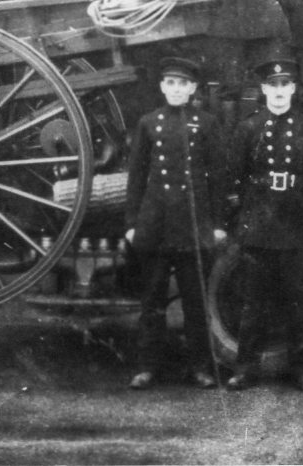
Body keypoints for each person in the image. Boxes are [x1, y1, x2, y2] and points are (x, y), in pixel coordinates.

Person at [225, 56, 303, 391]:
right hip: (258, 228)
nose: (280, 92)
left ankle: (302, 368)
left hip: (295, 227)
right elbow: (234, 177)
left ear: (294, 88)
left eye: (285, 85)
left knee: (298, 302)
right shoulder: (249, 128)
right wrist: (242, 220)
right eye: (273, 85)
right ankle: (245, 367)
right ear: (263, 89)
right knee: (253, 303)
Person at [123, 56, 226, 391]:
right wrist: (132, 223)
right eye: (171, 83)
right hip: (155, 225)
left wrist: (218, 225)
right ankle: (147, 367)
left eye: (183, 84)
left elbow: (218, 179)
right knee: (151, 302)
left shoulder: (207, 124)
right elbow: (136, 178)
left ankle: (200, 368)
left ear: (193, 88)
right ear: (162, 87)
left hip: (192, 226)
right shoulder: (148, 123)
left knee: (195, 304)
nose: (177, 89)